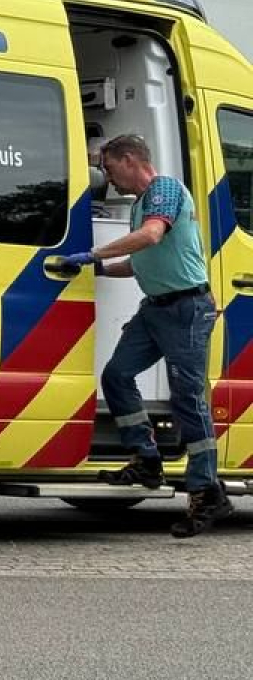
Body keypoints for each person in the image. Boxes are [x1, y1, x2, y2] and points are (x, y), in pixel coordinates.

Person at [62, 134, 232, 537]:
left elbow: (152, 237)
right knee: (117, 375)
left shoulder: (165, 190)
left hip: (185, 308)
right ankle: (147, 458)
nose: (107, 177)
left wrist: (96, 254)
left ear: (129, 159)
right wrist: (100, 270)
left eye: (108, 167)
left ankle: (207, 492)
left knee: (188, 399)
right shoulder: (141, 205)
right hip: (157, 308)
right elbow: (142, 263)